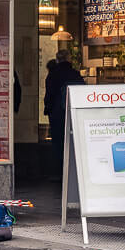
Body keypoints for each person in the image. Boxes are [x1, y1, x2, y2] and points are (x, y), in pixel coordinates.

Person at [43, 50, 84, 178]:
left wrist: (48, 109)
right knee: (73, 141)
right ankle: (73, 173)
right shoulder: (75, 74)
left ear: (57, 59)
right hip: (72, 112)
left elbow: (49, 94)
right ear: (69, 58)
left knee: (57, 143)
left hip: (56, 113)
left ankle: (58, 173)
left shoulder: (52, 75)